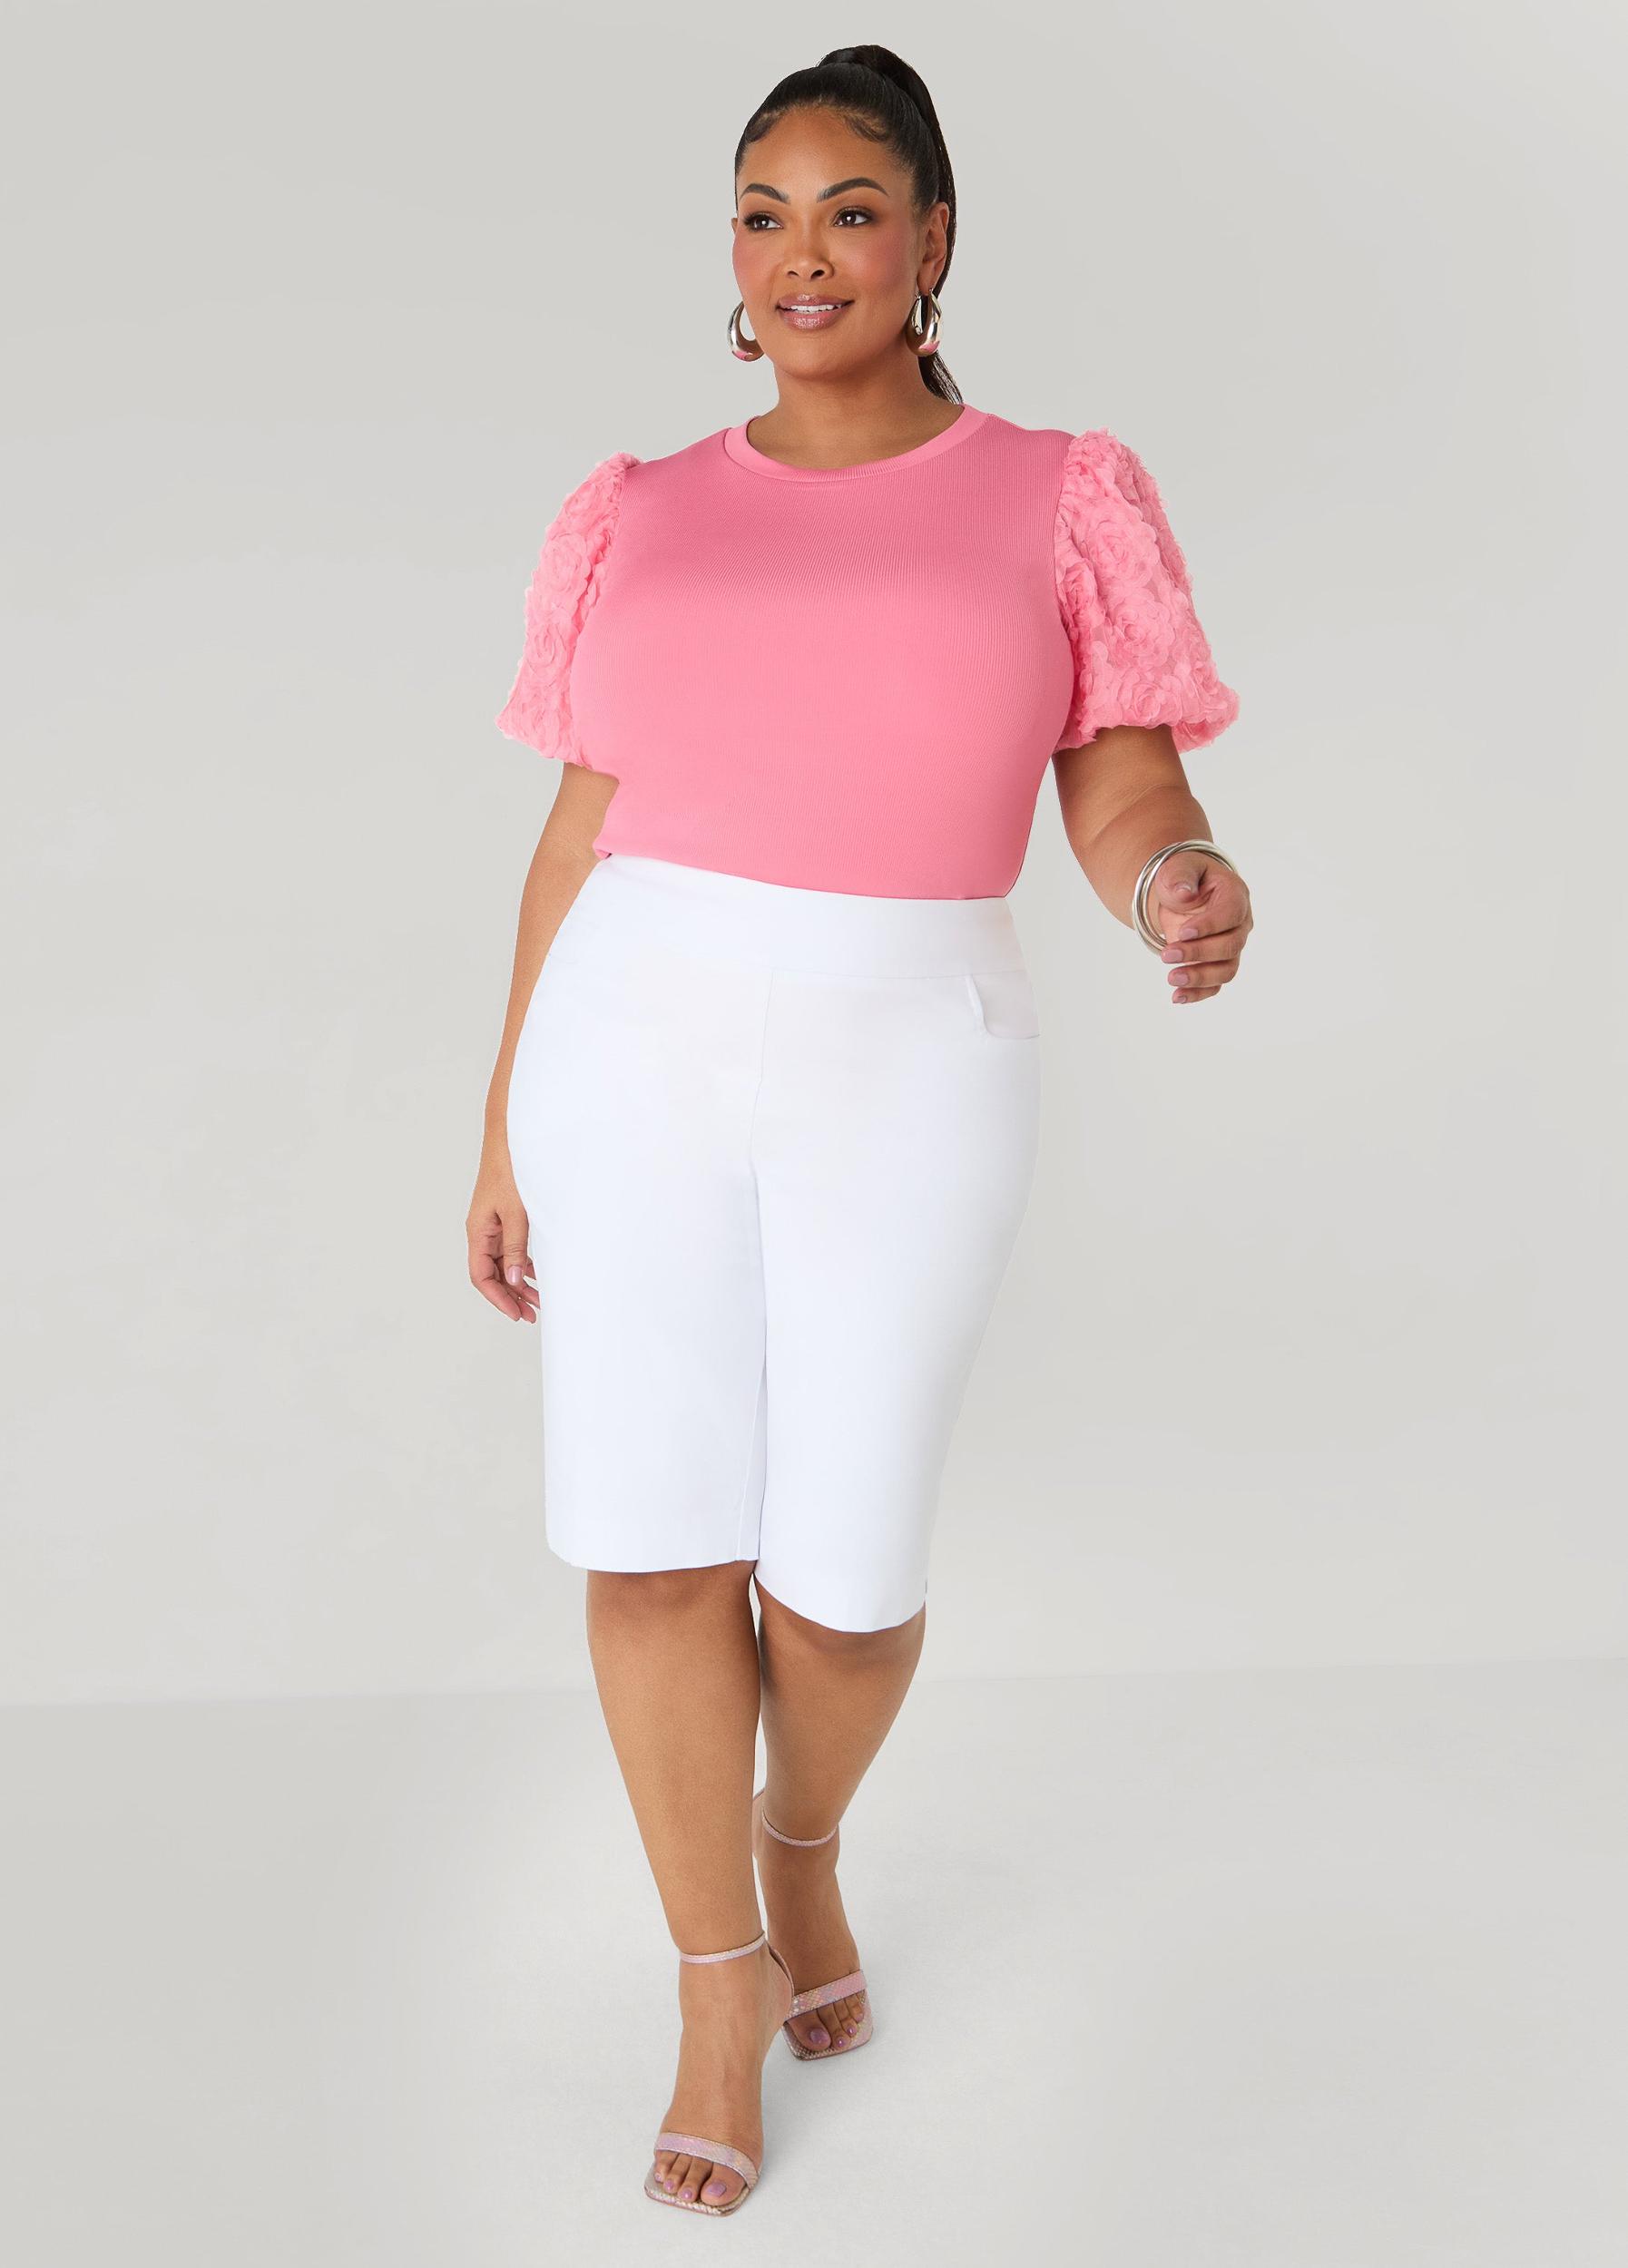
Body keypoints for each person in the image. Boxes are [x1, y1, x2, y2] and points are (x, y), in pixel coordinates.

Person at [467, 44, 1252, 2220]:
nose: (799, 253)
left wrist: (1175, 879)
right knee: (651, 1541)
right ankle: (718, 1976)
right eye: (760, 211)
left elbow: (1121, 774)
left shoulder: (1057, 491)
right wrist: (502, 1120)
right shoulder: (637, 507)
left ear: (932, 242)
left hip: (913, 1051)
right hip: (630, 1039)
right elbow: (577, 829)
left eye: (847, 208)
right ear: (728, 257)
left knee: (845, 1583)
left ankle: (799, 1839)